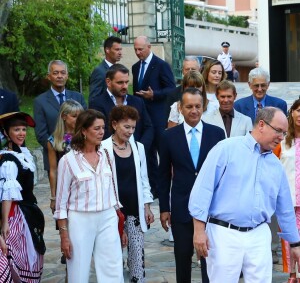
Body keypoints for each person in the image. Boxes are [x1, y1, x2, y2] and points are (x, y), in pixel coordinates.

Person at [189, 107, 300, 283]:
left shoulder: (276, 165)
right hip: (224, 233)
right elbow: (202, 190)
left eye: (285, 133)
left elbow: (285, 208)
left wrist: (295, 244)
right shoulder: (226, 149)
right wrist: (199, 231)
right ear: (261, 125)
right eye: (278, 131)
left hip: (259, 235)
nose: (281, 137)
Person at [158, 88, 225, 283]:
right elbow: (163, 175)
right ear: (180, 108)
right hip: (181, 206)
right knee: (182, 256)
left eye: (197, 106)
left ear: (203, 107)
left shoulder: (217, 134)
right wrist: (164, 208)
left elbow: (224, 172)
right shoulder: (169, 136)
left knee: (209, 258)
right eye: (189, 106)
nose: (194, 110)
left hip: (211, 208)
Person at [54, 109, 125, 283]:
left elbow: (113, 191)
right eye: (96, 128)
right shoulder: (68, 161)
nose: (101, 132)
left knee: (113, 268)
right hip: (80, 219)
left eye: (102, 128)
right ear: (84, 131)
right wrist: (64, 235)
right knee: (78, 270)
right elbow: (61, 203)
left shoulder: (107, 155)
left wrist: (119, 221)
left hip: (108, 216)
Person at [102, 105, 154, 282]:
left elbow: (144, 178)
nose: (130, 131)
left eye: (133, 127)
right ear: (115, 124)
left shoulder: (138, 147)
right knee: (114, 255)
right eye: (127, 127)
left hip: (135, 209)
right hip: (112, 211)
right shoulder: (102, 148)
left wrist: (147, 206)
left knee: (137, 256)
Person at [0, 112, 45, 282]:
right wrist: (5, 223)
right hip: (16, 215)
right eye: (16, 129)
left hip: (28, 211)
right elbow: (7, 195)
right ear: (6, 133)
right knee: (18, 257)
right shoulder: (9, 160)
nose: (21, 133)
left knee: (31, 255)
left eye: (23, 129)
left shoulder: (23, 154)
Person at [132, 35, 176, 197]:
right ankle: (152, 187)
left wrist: (154, 94)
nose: (138, 52)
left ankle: (164, 186)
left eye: (140, 49)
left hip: (158, 116)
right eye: (135, 49)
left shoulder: (161, 65)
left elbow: (171, 89)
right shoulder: (135, 67)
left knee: (161, 152)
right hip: (142, 117)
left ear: (149, 47)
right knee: (146, 151)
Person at [34, 60, 87, 173]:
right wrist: (61, 147)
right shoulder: (40, 101)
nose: (59, 76)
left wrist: (75, 146)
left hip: (80, 154)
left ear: (67, 76)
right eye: (55, 73)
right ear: (49, 76)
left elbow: (86, 124)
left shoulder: (78, 97)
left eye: (63, 73)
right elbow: (41, 134)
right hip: (54, 157)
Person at [89, 63, 153, 152]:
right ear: (108, 82)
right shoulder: (97, 104)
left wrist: (139, 149)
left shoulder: (138, 102)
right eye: (120, 83)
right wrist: (118, 150)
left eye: (126, 82)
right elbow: (98, 132)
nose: (125, 86)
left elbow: (148, 128)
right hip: (109, 155)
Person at [273, 99, 300, 282]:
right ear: (292, 113)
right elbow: (272, 165)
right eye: (298, 110)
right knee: (289, 238)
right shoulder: (283, 141)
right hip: (288, 199)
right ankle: (292, 274)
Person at [48, 99, 84, 213]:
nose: (78, 120)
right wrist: (53, 197)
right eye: (74, 116)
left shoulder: (85, 136)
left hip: (83, 185)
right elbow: (53, 170)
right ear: (64, 116)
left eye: (80, 116)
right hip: (64, 188)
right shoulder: (54, 140)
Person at [88, 36, 122, 106]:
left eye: (120, 49)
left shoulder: (118, 69)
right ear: (107, 50)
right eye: (117, 49)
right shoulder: (99, 71)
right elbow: (93, 99)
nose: (120, 53)